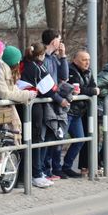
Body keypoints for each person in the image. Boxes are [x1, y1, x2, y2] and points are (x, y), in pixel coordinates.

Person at [22, 43, 62, 187]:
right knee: (36, 139)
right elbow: (50, 89)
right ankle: (36, 174)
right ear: (41, 55)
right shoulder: (36, 67)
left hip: (28, 106)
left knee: (29, 140)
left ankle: (31, 174)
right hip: (34, 107)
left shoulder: (24, 63)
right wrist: (62, 98)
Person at [64, 50, 99, 177]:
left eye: (88, 59)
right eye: (84, 60)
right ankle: (52, 169)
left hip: (78, 112)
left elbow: (93, 87)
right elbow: (76, 89)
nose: (87, 62)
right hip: (68, 111)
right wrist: (91, 90)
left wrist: (90, 90)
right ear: (75, 60)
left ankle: (66, 166)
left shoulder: (89, 72)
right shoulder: (70, 70)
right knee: (59, 141)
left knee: (80, 140)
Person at [40, 29, 69, 179]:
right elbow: (46, 85)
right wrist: (59, 99)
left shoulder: (53, 58)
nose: (61, 42)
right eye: (59, 39)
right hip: (48, 102)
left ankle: (48, 169)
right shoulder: (43, 58)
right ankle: (44, 170)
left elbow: (64, 76)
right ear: (53, 41)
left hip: (54, 102)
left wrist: (63, 56)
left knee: (53, 137)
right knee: (46, 137)